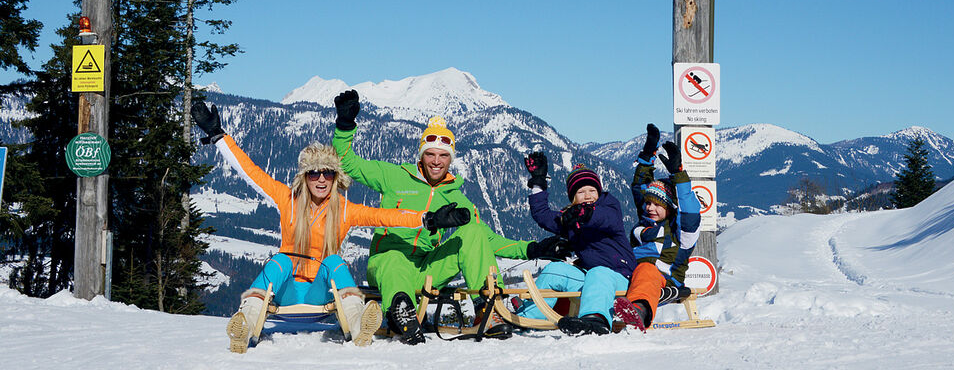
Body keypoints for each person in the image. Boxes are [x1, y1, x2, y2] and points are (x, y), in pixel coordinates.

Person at [191, 101, 469, 353]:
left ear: (336, 177)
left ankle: (359, 325)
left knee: (334, 261)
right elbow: (251, 171)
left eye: (328, 173)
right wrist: (219, 137)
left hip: (321, 296)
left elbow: (386, 216)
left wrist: (427, 219)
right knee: (280, 261)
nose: (321, 179)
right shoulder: (287, 199)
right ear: (304, 177)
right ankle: (247, 326)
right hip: (287, 294)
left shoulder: (344, 209)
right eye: (314, 173)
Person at [331, 90, 564, 344]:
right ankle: (402, 312)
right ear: (421, 155)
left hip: (426, 268)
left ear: (450, 159)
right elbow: (346, 163)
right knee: (394, 259)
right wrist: (345, 126)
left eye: (443, 156)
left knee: (472, 232)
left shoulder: (457, 199)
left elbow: (486, 240)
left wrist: (532, 249)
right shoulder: (393, 176)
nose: (436, 161)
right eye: (430, 154)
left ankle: (487, 309)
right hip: (387, 263)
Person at [518, 153, 637, 336]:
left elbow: (601, 217)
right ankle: (529, 317)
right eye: (581, 192)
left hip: (620, 278)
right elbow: (542, 215)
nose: (587, 196)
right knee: (554, 270)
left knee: (599, 271)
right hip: (591, 279)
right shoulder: (571, 217)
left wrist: (583, 214)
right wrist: (538, 182)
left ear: (599, 192)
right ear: (573, 196)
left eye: (592, 191)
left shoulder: (610, 207)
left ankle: (595, 319)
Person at [613, 124, 702, 331]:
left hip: (665, 280)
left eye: (658, 205)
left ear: (670, 208)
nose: (650, 208)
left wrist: (679, 176)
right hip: (630, 274)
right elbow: (640, 187)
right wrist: (648, 153)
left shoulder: (680, 233)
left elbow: (690, 211)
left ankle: (639, 313)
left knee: (646, 270)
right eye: (648, 203)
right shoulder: (645, 220)